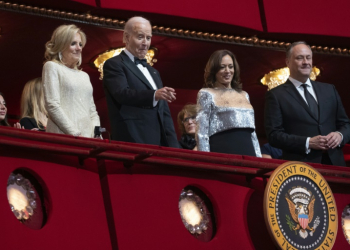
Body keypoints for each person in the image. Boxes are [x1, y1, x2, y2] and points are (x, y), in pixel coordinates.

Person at [264, 41, 350, 166]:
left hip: (335, 165)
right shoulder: (276, 95)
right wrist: (307, 142)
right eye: (300, 58)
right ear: (287, 62)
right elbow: (274, 135)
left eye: (308, 58)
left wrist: (340, 135)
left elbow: (346, 125)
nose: (306, 62)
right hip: (301, 168)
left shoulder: (329, 89)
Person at [103, 16, 179, 147]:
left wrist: (174, 146)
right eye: (140, 37)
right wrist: (154, 95)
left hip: (160, 143)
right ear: (126, 38)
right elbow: (121, 93)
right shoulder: (114, 64)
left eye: (148, 38)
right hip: (132, 139)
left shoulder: (154, 72)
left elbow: (164, 113)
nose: (145, 43)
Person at [196, 50, 261, 157]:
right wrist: (206, 160)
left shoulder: (245, 95)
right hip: (223, 153)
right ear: (214, 70)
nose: (228, 71)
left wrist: (259, 159)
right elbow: (201, 133)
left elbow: (253, 134)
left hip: (249, 154)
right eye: (222, 67)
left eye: (231, 66)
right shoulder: (206, 94)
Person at [42, 24, 100, 138]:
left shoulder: (84, 76)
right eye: (73, 43)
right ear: (61, 46)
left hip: (88, 139)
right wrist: (75, 134)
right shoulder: (52, 66)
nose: (79, 48)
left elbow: (92, 111)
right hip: (64, 137)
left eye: (80, 44)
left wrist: (95, 134)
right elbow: (52, 105)